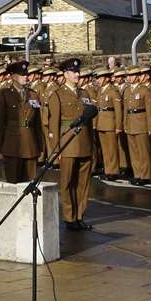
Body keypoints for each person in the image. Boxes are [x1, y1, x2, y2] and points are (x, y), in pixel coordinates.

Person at [43, 58, 96, 230]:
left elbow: (89, 121)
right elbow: (54, 124)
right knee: (67, 182)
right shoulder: (57, 95)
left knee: (83, 183)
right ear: (65, 74)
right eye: (74, 72)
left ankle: (80, 215)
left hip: (85, 142)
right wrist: (56, 148)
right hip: (68, 142)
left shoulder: (84, 94)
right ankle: (69, 217)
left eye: (78, 71)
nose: (77, 74)